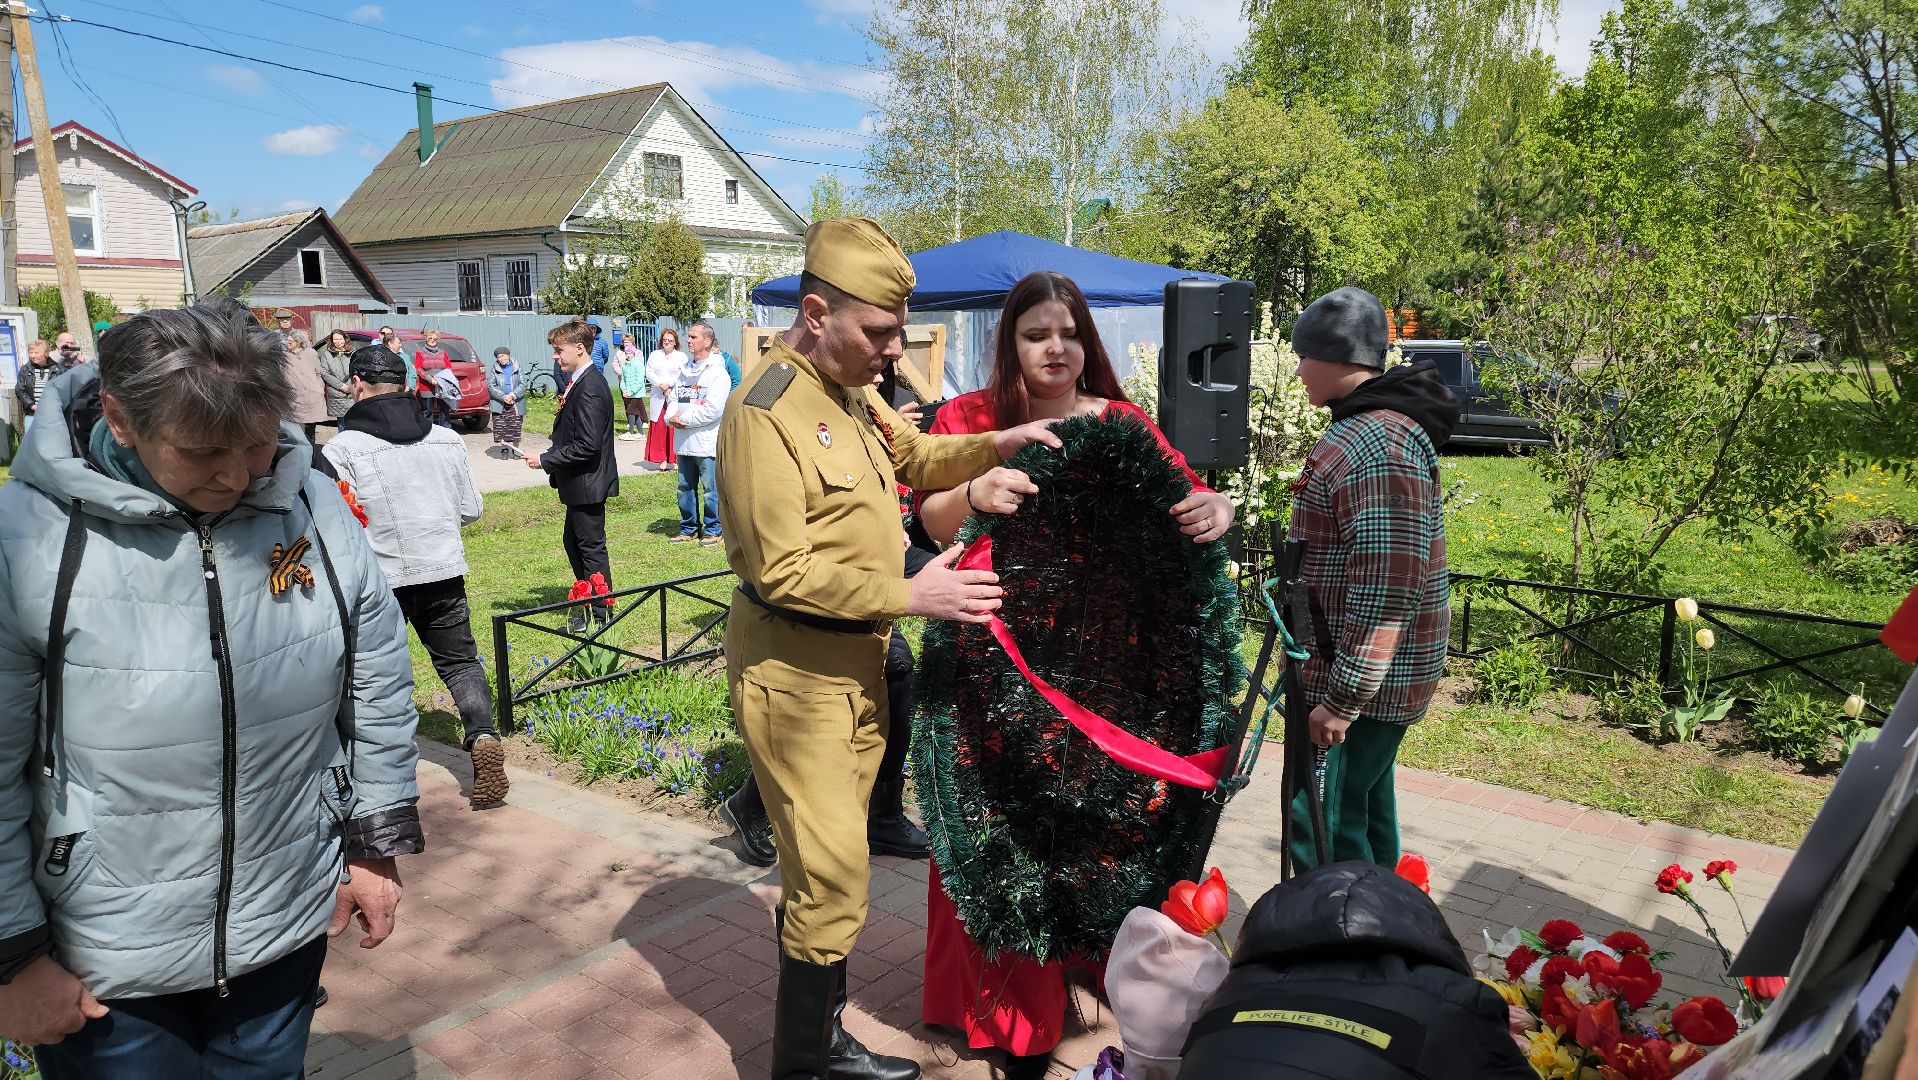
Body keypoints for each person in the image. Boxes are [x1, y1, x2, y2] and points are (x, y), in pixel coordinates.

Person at [0, 301, 423, 1076]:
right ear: (122, 421)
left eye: (258, 445)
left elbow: (378, 681)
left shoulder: (309, 503)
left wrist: (376, 844)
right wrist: (11, 957)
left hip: (285, 925)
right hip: (106, 959)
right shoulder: (26, 538)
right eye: (203, 453)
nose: (237, 476)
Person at [716, 217, 1062, 1080]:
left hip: (854, 664)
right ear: (815, 310)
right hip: (794, 673)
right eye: (877, 332)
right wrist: (914, 593)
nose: (892, 352)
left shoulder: (847, 388)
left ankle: (820, 1040)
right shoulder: (765, 413)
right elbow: (780, 570)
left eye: (895, 332)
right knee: (830, 875)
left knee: (837, 873)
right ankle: (805, 1062)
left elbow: (911, 453)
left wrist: (1000, 442)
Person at [911, 271, 1235, 1080]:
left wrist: (1219, 509)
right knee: (999, 835)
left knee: (1086, 831)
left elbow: (1186, 500)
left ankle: (1091, 965)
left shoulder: (1122, 421)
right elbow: (925, 514)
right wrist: (975, 487)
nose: (1055, 348)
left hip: (1099, 674)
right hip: (993, 655)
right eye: (1035, 334)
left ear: (1087, 341)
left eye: (1068, 332)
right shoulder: (971, 420)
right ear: (1009, 344)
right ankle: (1000, 1013)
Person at [1286, 286, 1457, 871]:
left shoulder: (1378, 441)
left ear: (1338, 358)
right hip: (1358, 676)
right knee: (1363, 813)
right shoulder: (1365, 427)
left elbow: (1389, 587)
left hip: (1362, 684)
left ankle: (1338, 950)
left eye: (1304, 354)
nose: (1298, 367)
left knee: (1326, 831)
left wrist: (1341, 701)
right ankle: (1391, 939)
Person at [323, 346, 507, 808]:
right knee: (461, 662)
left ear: (358, 384)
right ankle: (482, 735)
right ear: (404, 383)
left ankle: (377, 777)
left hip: (376, 582)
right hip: (443, 569)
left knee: (371, 675)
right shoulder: (446, 438)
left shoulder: (342, 449)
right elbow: (471, 509)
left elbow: (339, 522)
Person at [525, 320, 618, 631]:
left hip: (588, 481)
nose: (555, 356)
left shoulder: (590, 386)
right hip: (579, 482)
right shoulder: (580, 380)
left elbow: (588, 445)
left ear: (579, 348)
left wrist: (547, 459)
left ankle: (602, 615)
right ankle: (589, 601)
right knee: (574, 542)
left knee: (589, 547)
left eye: (558, 350)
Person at [666, 330, 731, 546]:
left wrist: (684, 419)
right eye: (689, 337)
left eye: (694, 337)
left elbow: (713, 410)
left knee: (711, 490)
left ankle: (714, 529)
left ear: (708, 341)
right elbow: (674, 398)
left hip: (706, 442)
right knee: (684, 487)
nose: (689, 340)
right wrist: (670, 417)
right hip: (684, 441)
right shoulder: (684, 371)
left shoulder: (717, 373)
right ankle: (689, 528)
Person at [642, 328, 685, 471]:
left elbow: (682, 373)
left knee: (674, 426)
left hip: (674, 393)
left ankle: (676, 459)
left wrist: (669, 385)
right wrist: (661, 384)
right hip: (658, 394)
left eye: (670, 340)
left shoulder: (681, 356)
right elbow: (649, 372)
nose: (667, 342)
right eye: (665, 340)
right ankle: (662, 459)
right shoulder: (655, 355)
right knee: (660, 427)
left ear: (675, 342)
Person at [285, 329, 330, 442]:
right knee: (296, 427)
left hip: (312, 395)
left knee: (310, 427)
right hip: (295, 396)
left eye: (291, 341)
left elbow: (318, 372)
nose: (288, 343)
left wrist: (319, 388)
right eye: (287, 341)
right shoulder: (284, 356)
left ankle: (312, 451)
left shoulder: (311, 353)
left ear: (299, 341)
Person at [488, 345, 528, 458]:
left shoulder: (517, 366)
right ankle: (504, 450)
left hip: (515, 401)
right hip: (500, 402)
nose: (501, 358)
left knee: (515, 426)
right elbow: (491, 386)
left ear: (508, 355)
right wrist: (503, 396)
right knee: (501, 426)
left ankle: (515, 449)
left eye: (503, 355)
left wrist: (512, 395)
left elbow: (523, 383)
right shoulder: (494, 368)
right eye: (499, 356)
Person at [13, 339, 56, 437]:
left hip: (52, 414)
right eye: (31, 352)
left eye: (36, 353)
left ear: (45, 353)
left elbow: (62, 391)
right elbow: (19, 390)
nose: (33, 356)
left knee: (50, 440)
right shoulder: (25, 369)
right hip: (32, 414)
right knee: (30, 442)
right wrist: (32, 405)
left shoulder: (58, 369)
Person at [413, 328, 452, 428]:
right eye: (430, 337)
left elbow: (448, 368)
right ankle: (428, 431)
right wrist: (430, 380)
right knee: (428, 411)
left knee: (444, 410)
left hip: (441, 385)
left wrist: (441, 380)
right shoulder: (420, 353)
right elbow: (418, 369)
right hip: (426, 386)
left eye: (435, 338)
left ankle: (445, 431)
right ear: (426, 338)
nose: (432, 339)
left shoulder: (443, 353)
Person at [317, 329, 356, 426]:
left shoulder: (353, 352)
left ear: (345, 339)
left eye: (340, 339)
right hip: (337, 392)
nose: (338, 342)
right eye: (335, 340)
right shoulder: (327, 354)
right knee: (342, 424)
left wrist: (351, 386)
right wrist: (340, 386)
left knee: (355, 422)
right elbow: (325, 373)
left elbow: (357, 370)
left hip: (353, 390)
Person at [618, 332, 649, 442]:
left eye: (630, 353)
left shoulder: (638, 364)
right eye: (626, 353)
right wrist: (624, 389)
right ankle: (640, 433)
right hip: (629, 392)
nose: (628, 355)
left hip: (637, 393)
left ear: (634, 353)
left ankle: (631, 432)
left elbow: (639, 381)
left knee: (631, 410)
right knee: (635, 412)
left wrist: (631, 391)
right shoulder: (625, 365)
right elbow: (623, 379)